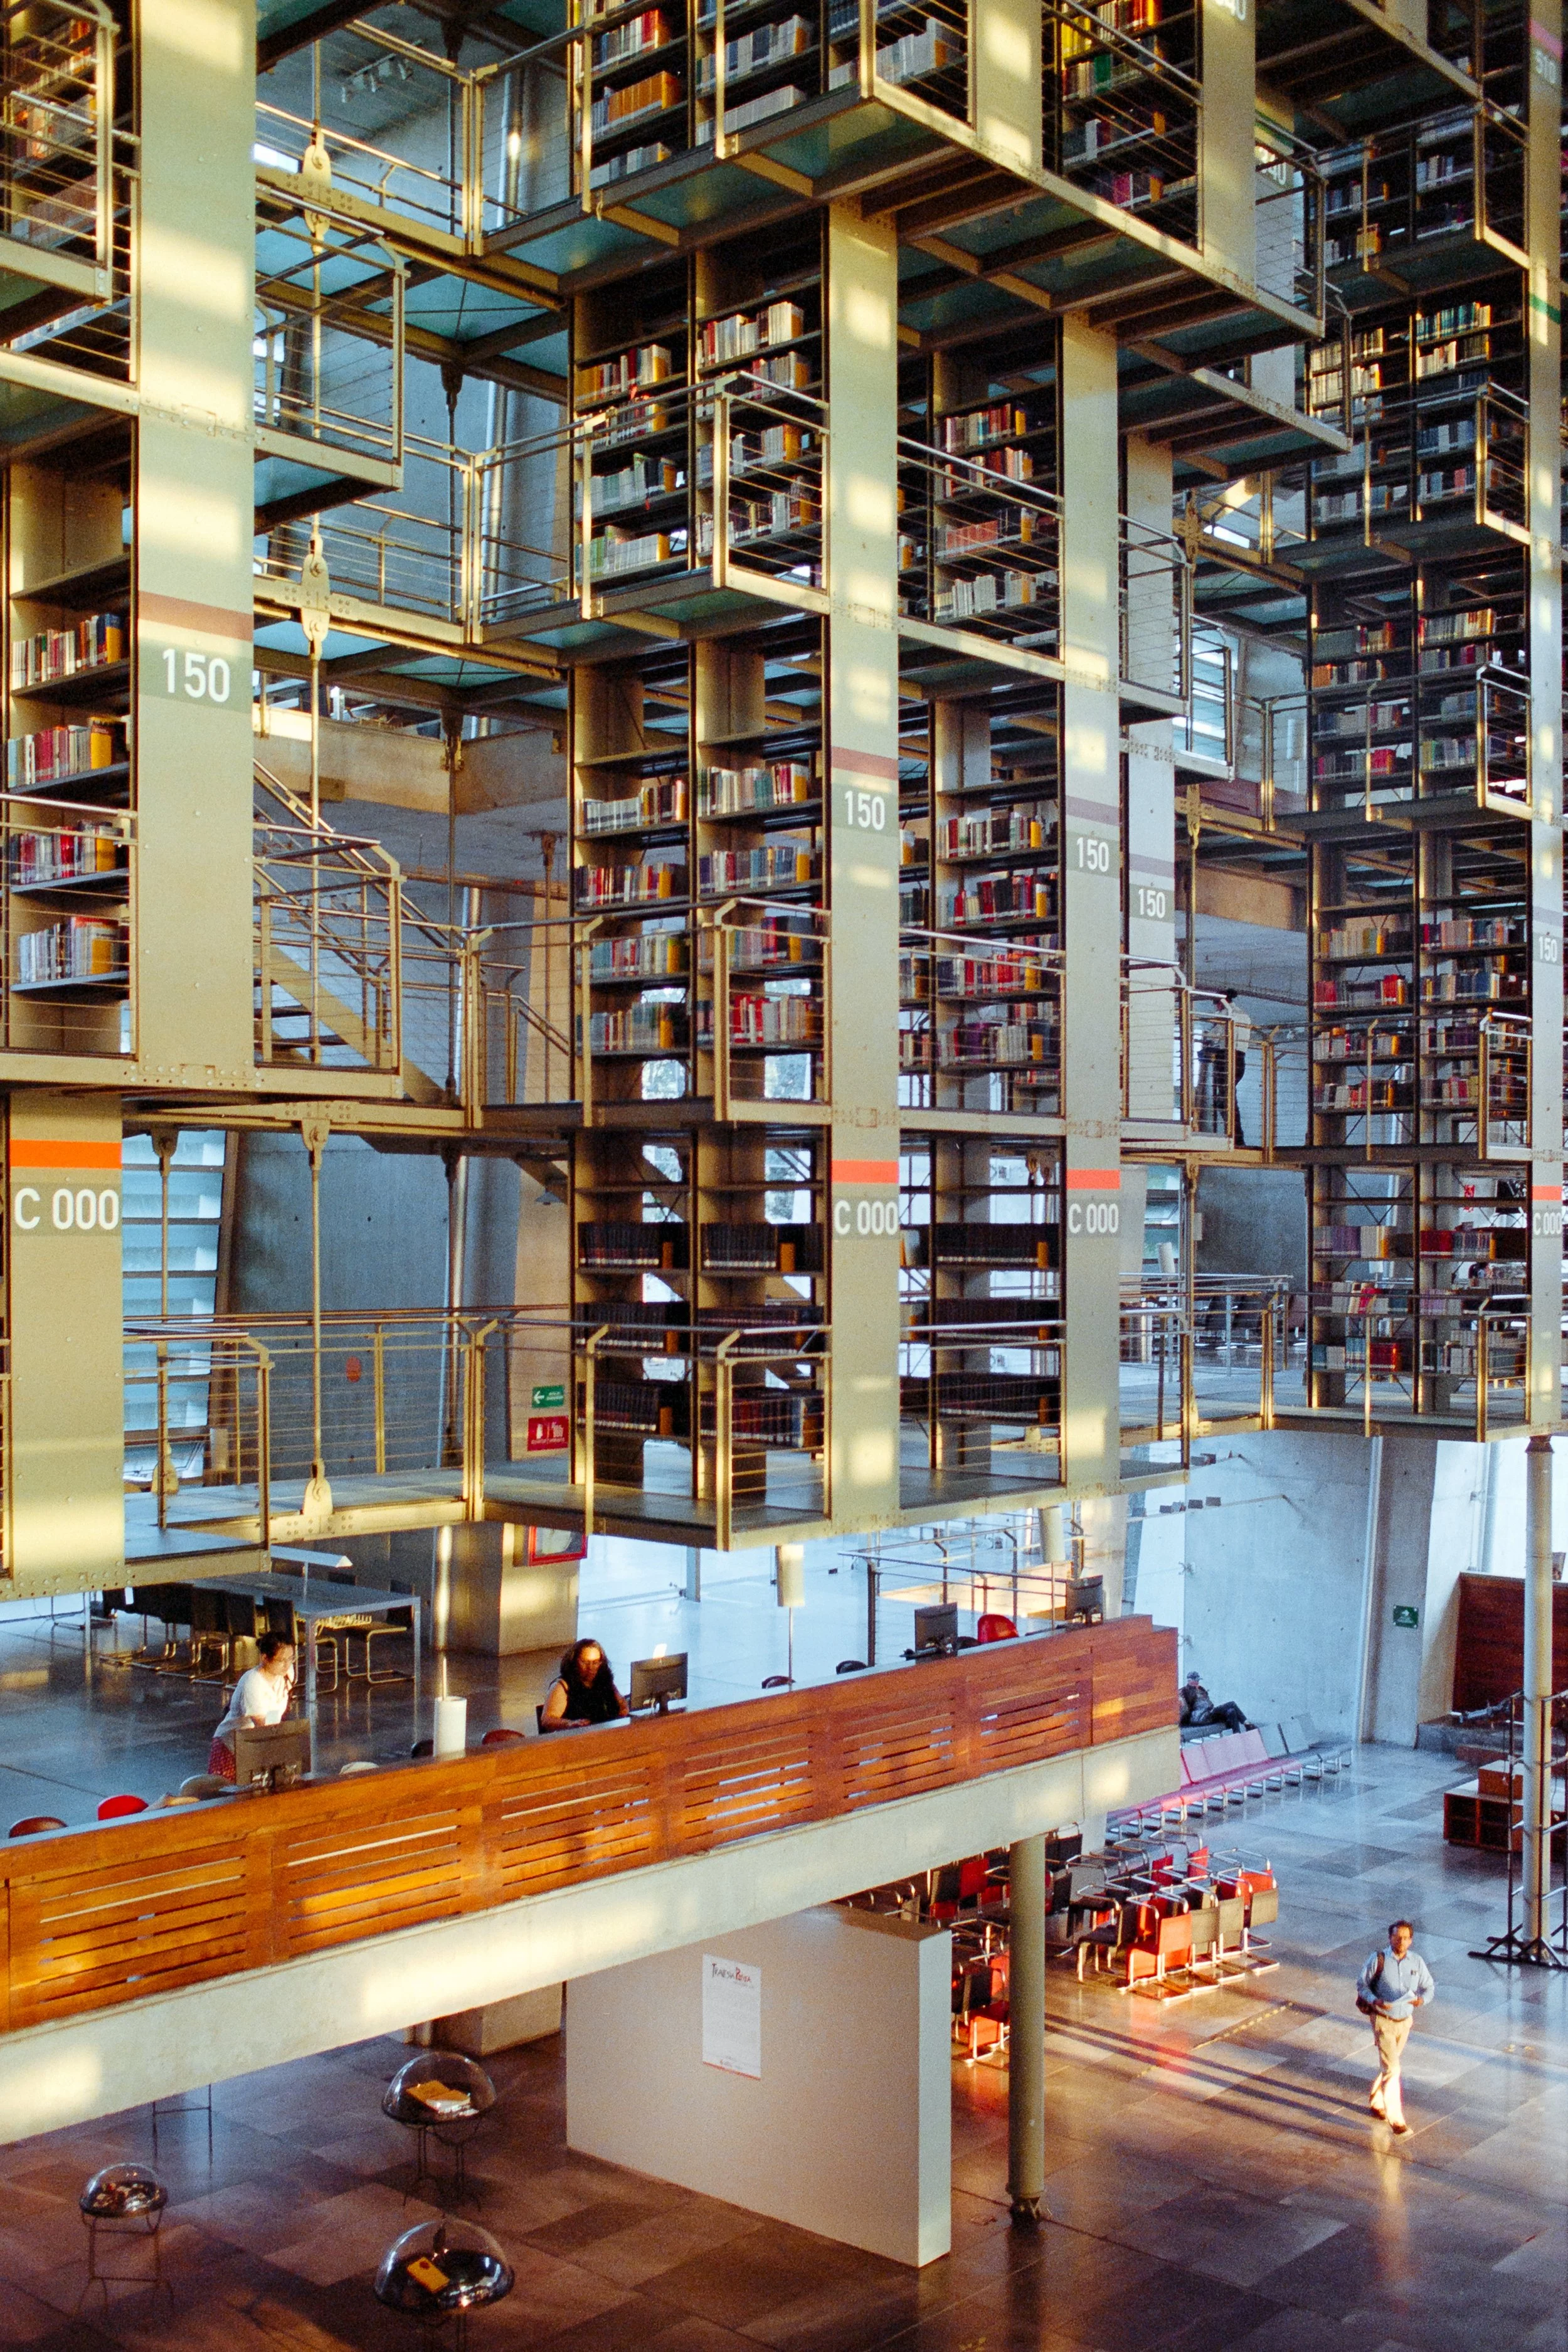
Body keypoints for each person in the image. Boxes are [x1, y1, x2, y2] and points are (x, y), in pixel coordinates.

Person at [1357, 1919, 1434, 2135]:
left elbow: (1429, 1987)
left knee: (1391, 2065)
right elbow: (1362, 1985)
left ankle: (1376, 2100)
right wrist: (1375, 2001)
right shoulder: (1378, 1959)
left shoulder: (1416, 1962)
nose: (1401, 1941)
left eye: (1405, 1938)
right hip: (1383, 2020)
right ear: (1390, 1938)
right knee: (1393, 2068)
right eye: (1397, 1937)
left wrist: (1421, 2000)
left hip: (1405, 2021)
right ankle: (1396, 2119)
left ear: (1411, 1941)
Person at [208, 1629, 296, 1783]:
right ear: (265, 1658)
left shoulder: (287, 1672)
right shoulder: (253, 1682)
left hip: (260, 1744)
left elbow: (274, 1718)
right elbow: (260, 1726)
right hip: (233, 1746)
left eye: (291, 1658)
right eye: (281, 1660)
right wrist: (280, 1757)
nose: (287, 1664)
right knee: (230, 1792)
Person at [540, 1638, 628, 1732]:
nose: (590, 1668)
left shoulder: (604, 1682)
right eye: (585, 1662)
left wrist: (623, 1708)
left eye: (595, 1663)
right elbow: (547, 1720)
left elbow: (622, 1707)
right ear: (574, 1661)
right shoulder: (563, 1686)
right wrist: (570, 1724)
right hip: (576, 1739)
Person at [1179, 1671, 1249, 1734]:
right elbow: (1192, 1703)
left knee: (1232, 1711)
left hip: (1208, 1714)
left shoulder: (1200, 1689)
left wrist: (1202, 1693)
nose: (1198, 1682)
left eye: (1198, 1680)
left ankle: (1237, 1735)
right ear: (1190, 1681)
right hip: (1200, 1717)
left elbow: (1210, 1704)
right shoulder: (1186, 1691)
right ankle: (1247, 1724)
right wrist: (1196, 1690)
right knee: (1232, 1704)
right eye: (1196, 1680)